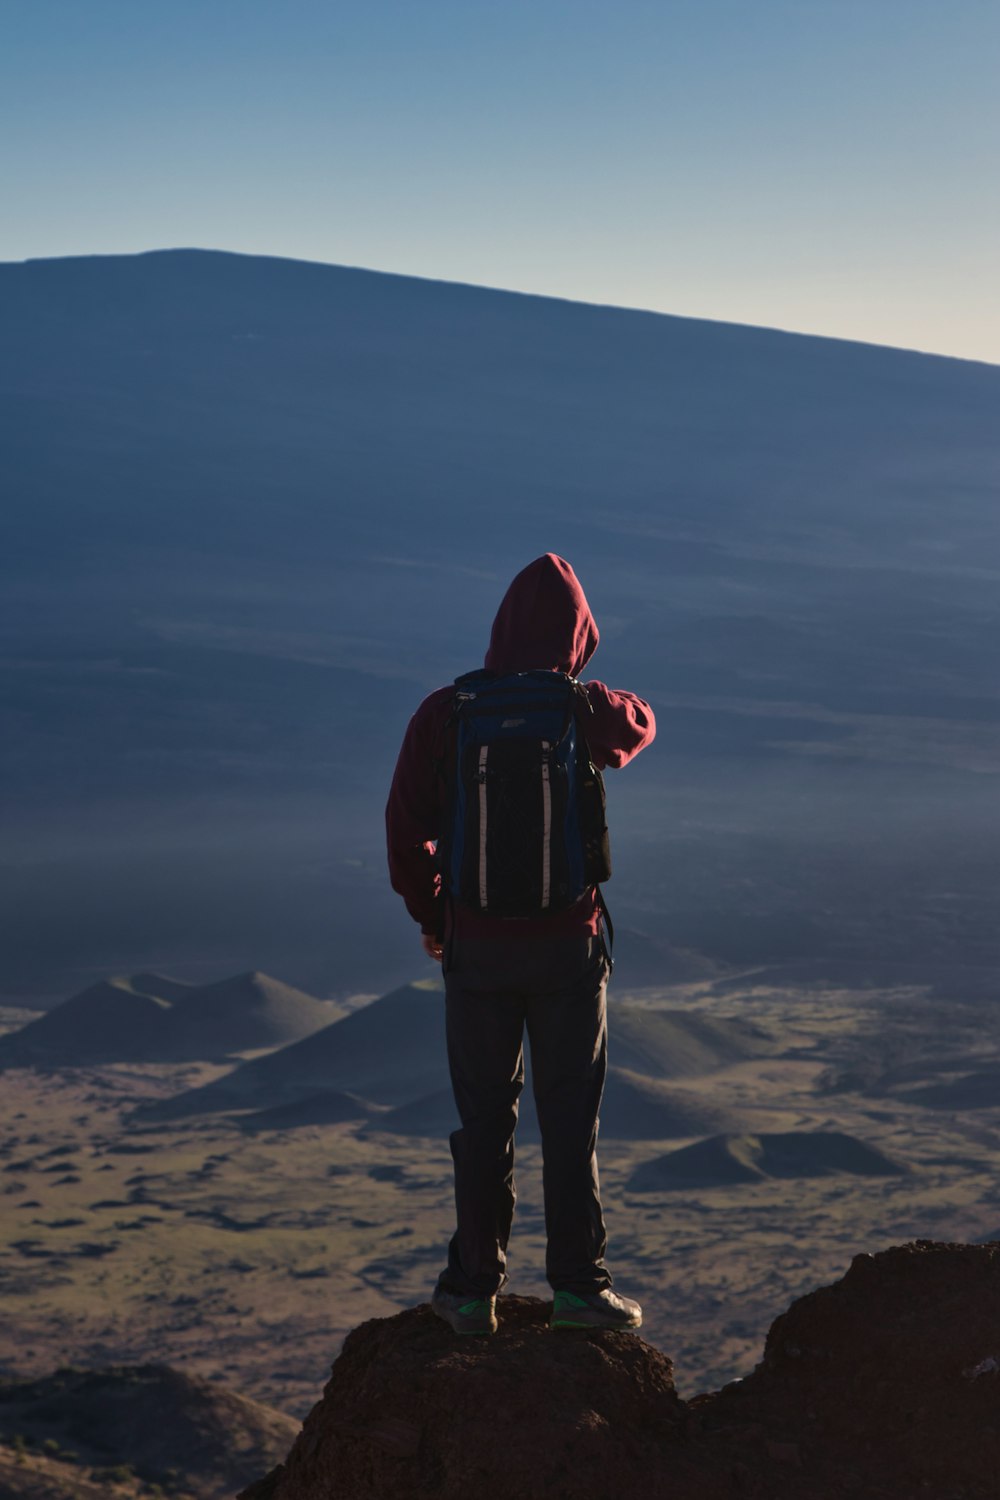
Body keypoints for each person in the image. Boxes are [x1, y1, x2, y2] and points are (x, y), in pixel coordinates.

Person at [385, 553, 656, 1335]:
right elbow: (641, 724)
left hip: (478, 954)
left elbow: (406, 833)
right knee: (571, 1121)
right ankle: (579, 1289)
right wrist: (585, 689)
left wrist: (436, 921)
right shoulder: (584, 708)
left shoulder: (447, 712)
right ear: (578, 636)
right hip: (568, 951)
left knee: (483, 1122)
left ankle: (472, 1291)